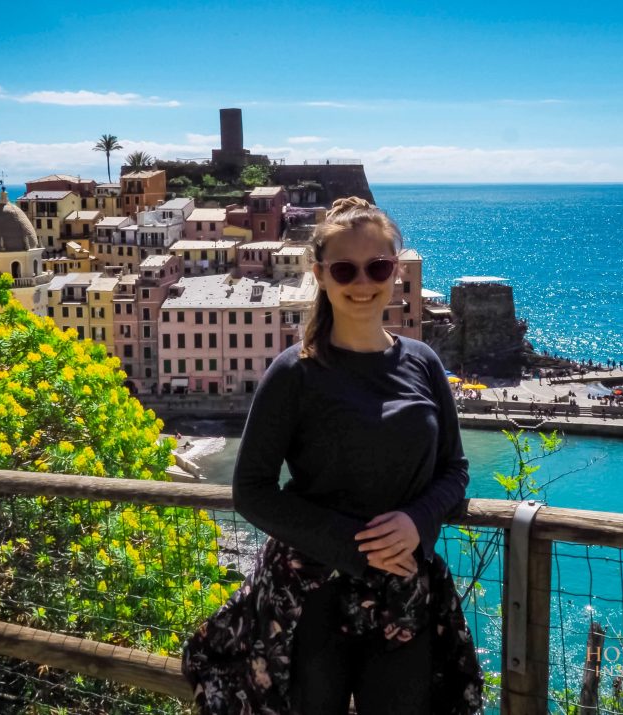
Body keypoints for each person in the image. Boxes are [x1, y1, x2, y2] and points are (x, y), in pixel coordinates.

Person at [182, 198, 482, 714]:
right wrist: (355, 546)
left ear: (395, 269)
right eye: (345, 269)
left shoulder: (424, 363)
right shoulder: (293, 373)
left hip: (403, 589)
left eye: (378, 267)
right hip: (308, 599)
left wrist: (418, 520)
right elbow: (251, 490)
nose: (362, 282)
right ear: (320, 274)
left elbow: (454, 470)